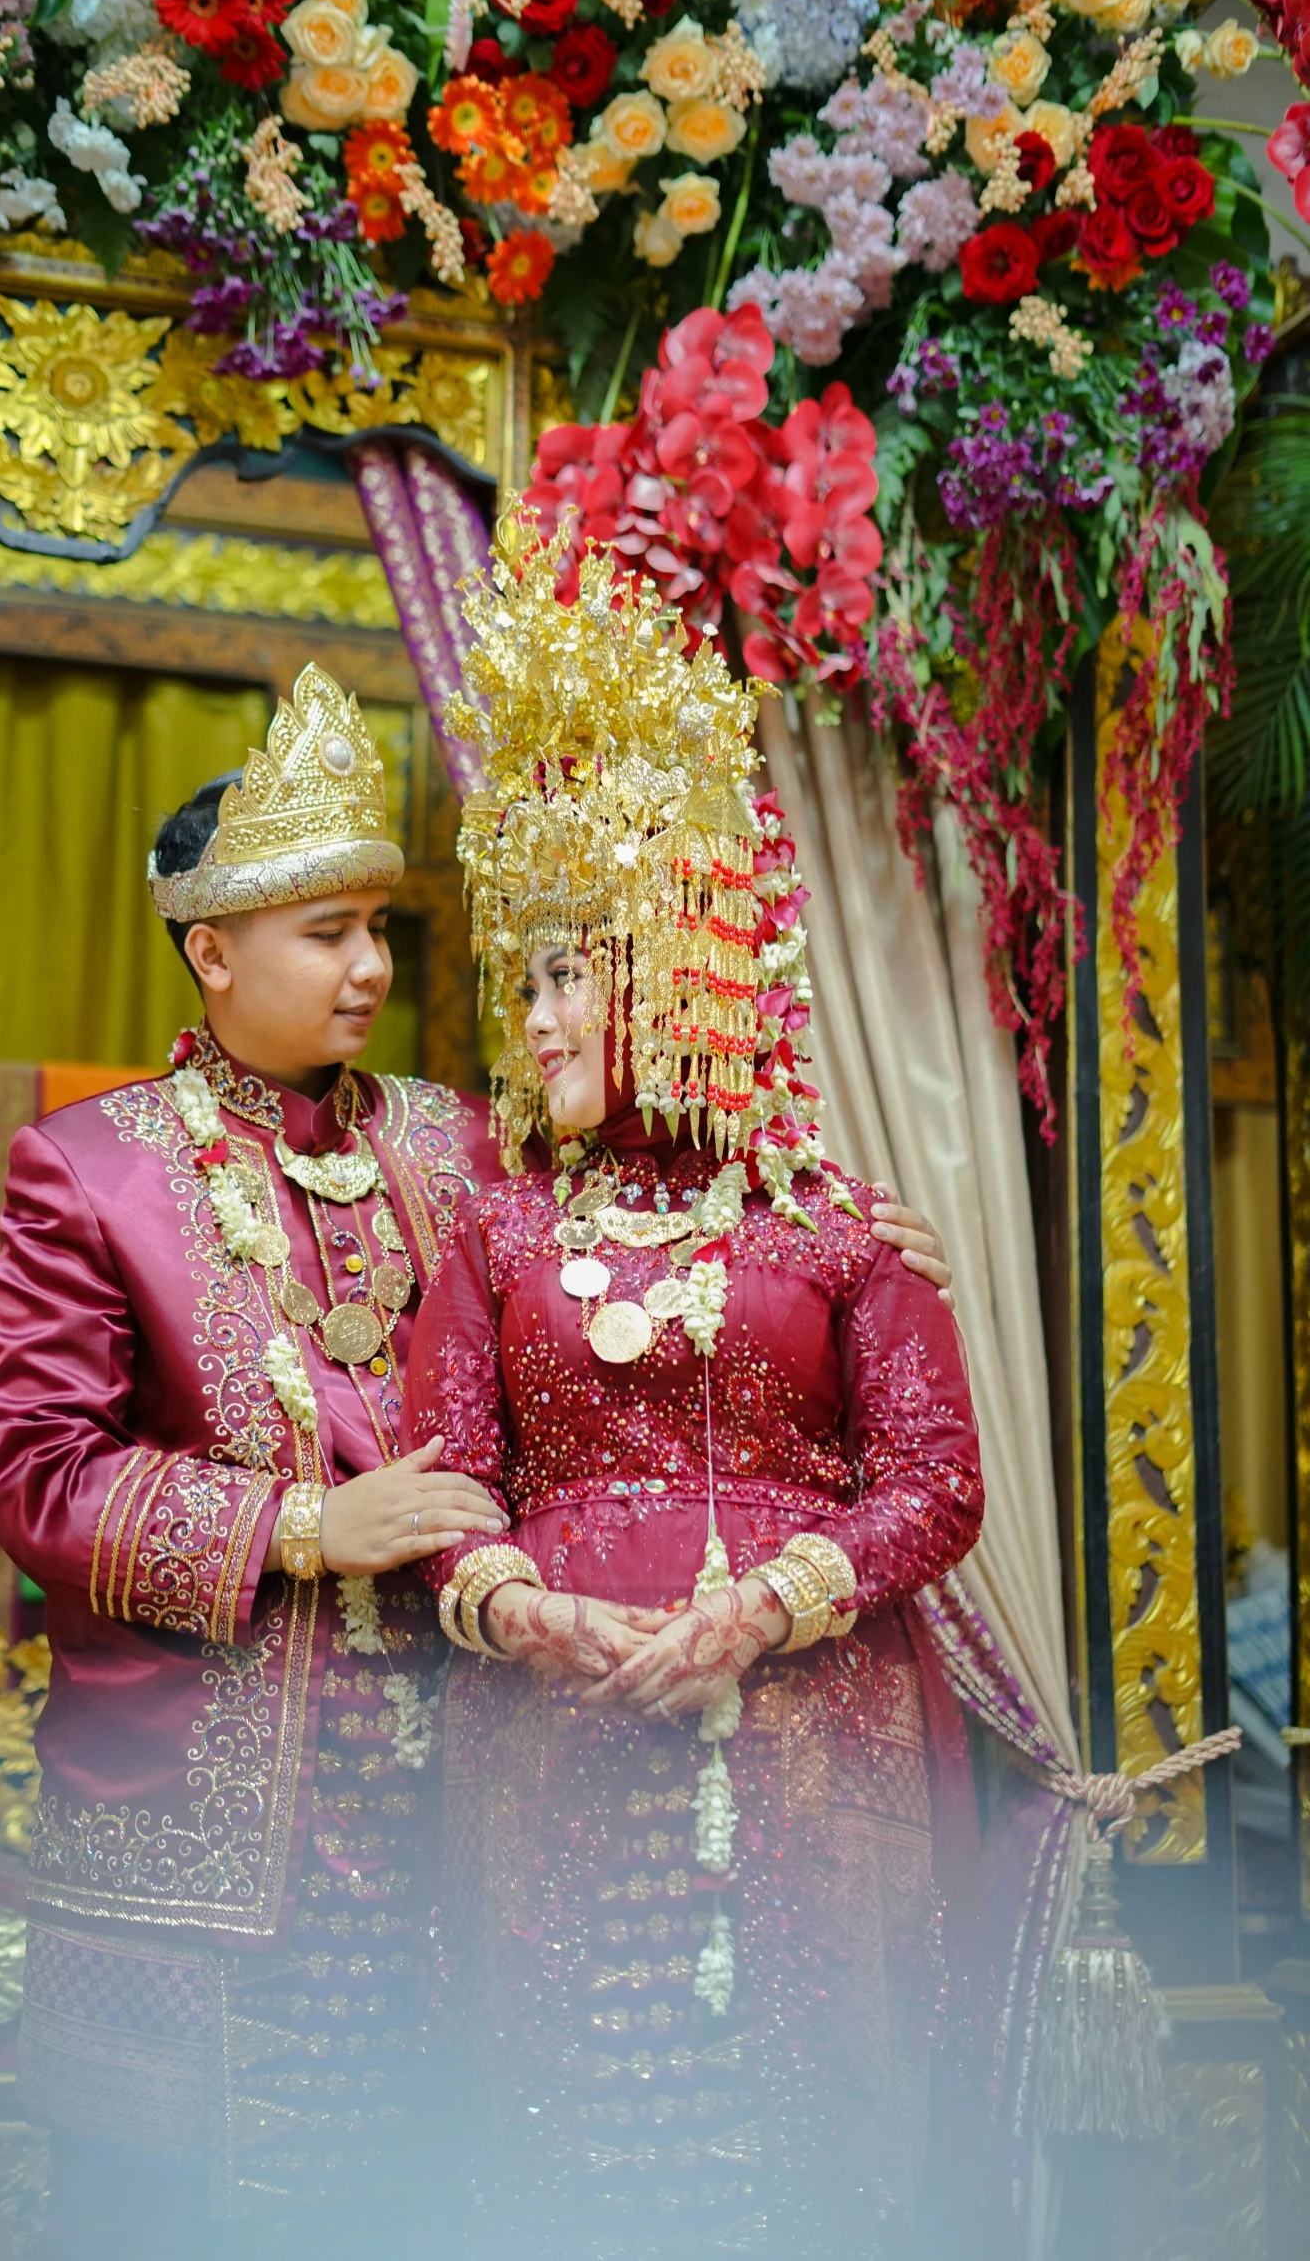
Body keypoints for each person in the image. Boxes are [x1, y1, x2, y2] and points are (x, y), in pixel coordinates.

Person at [0, 658, 958, 2255]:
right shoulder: (92, 1170)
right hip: (210, 1820)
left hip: (457, 1791)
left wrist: (845, 1238)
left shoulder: (463, 1144)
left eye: (382, 929)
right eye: (327, 934)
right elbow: (32, 1472)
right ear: (210, 951)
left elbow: (659, 1232)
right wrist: (304, 1520)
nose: (371, 969)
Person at [401, 524, 987, 2260]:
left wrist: (765, 1604)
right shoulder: (495, 1231)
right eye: (525, 980)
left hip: (816, 1746)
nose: (538, 1020)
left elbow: (935, 1483)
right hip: (550, 1743)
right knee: (574, 2134)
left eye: (568, 972)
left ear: (677, 974)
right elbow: (444, 1487)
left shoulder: (834, 1227)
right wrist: (509, 1610)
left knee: (813, 2137)